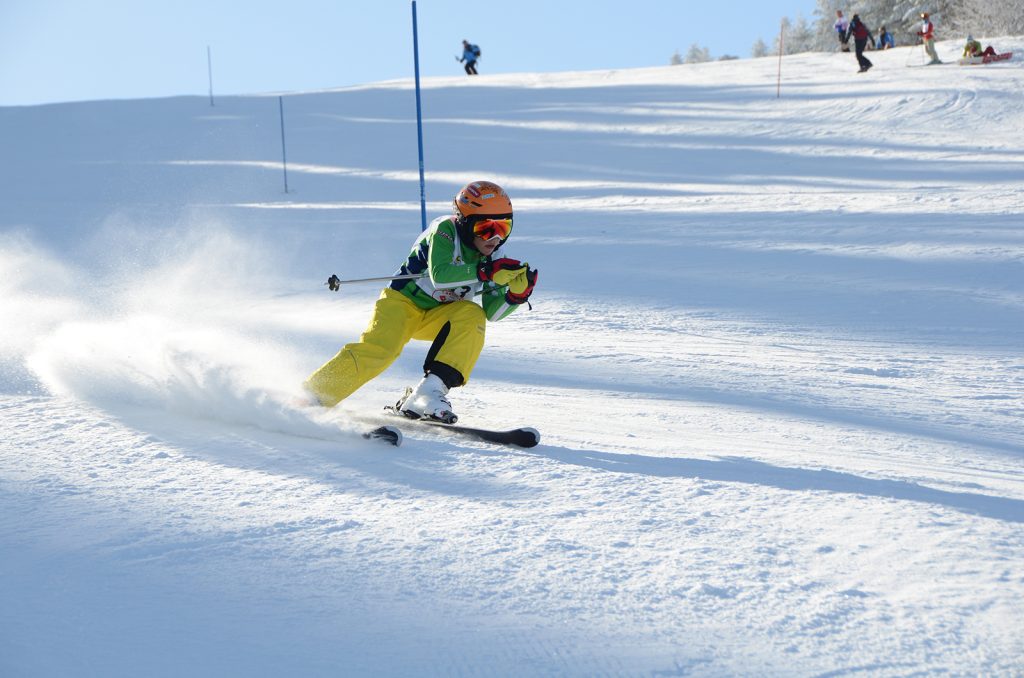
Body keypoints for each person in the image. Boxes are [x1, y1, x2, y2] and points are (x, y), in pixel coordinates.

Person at [304, 180, 538, 423]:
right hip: (402, 304)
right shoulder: (445, 230)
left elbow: (493, 312)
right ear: (466, 224)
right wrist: (486, 272)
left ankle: (428, 393)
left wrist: (515, 296)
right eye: (486, 229)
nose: (496, 237)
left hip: (439, 315)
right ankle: (314, 394)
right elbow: (441, 276)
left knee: (473, 315)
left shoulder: (495, 256)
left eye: (504, 227)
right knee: (381, 352)